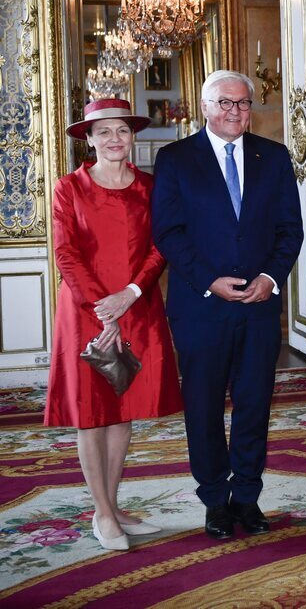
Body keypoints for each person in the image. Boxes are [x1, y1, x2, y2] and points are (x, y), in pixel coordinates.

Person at [151, 70, 303, 540]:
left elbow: (289, 230)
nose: (234, 111)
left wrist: (270, 278)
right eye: (224, 103)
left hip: (258, 307)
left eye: (242, 103)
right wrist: (208, 281)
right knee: (203, 406)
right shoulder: (175, 159)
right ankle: (215, 500)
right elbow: (168, 233)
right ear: (204, 107)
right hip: (201, 308)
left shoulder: (274, 157)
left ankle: (248, 498)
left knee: (255, 405)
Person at [45, 98, 183, 551]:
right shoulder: (69, 188)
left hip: (137, 307)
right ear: (88, 138)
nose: (114, 139)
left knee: (123, 410)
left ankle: (114, 504)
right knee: (92, 414)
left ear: (132, 135)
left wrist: (131, 294)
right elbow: (65, 253)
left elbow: (161, 245)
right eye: (103, 131)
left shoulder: (150, 186)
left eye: (121, 130)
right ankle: (102, 513)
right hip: (85, 311)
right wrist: (102, 307)